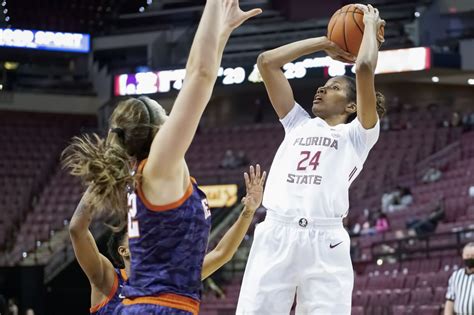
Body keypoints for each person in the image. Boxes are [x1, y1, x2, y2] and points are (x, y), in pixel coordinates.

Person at [62, 1, 262, 314]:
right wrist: (212, 6)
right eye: (165, 112)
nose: (172, 114)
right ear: (157, 130)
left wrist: (222, 32)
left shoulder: (156, 172)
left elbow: (200, 71)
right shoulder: (159, 166)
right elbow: (200, 75)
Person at [236, 4, 385, 315]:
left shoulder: (358, 136)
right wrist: (325, 43)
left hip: (326, 240)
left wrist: (369, 27)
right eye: (324, 85)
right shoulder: (297, 123)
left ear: (351, 107)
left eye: (333, 88)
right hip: (276, 231)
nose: (322, 89)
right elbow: (267, 63)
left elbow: (365, 69)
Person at [68, 165, 266, 315]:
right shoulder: (108, 279)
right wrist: (101, 179)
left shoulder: (171, 275)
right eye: (137, 232)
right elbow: (77, 230)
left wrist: (248, 211)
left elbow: (221, 254)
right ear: (123, 250)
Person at [444, 242, 474, 315]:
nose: (470, 258)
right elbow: (450, 300)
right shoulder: (456, 276)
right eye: (467, 255)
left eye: (473, 256)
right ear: (463, 256)